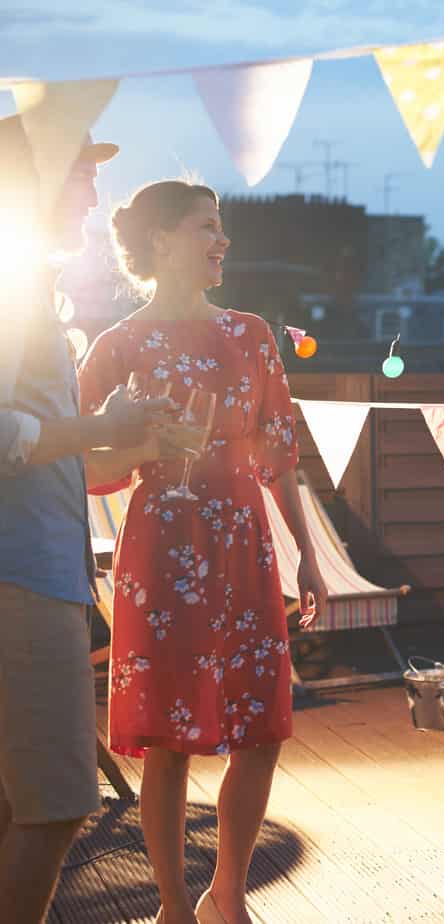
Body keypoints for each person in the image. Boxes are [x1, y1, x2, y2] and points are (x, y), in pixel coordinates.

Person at [76, 179, 327, 924]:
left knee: (262, 726)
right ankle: (174, 907)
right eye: (204, 227)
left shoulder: (251, 333)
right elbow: (74, 464)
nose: (221, 241)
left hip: (244, 543)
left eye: (221, 228)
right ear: (159, 241)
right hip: (160, 549)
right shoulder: (115, 346)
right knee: (166, 740)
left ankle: (227, 894)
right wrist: (145, 445)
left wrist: (307, 556)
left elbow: (281, 452)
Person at [0, 118, 170, 923]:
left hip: (41, 568)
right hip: (17, 575)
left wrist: (118, 434)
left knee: (15, 801)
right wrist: (103, 425)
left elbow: (43, 443)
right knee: (60, 799)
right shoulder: (12, 280)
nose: (93, 192)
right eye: (77, 173)